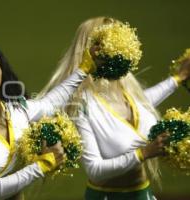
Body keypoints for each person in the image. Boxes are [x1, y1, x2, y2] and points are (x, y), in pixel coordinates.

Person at [38, 17, 190, 199]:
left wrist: (178, 78)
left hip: (144, 194)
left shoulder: (126, 91)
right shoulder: (81, 105)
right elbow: (95, 169)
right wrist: (144, 153)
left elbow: (141, 106)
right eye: (111, 41)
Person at [0, 40, 94, 200]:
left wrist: (85, 68)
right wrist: (44, 164)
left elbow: (51, 103)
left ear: (1, 72)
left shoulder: (17, 110)